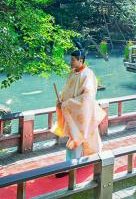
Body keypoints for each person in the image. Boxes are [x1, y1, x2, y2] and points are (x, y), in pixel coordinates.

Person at [52, 46, 106, 176]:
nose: (70, 62)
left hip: (83, 111)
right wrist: (61, 101)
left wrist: (67, 103)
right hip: (74, 111)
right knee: (80, 136)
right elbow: (68, 90)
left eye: (73, 60)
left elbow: (87, 96)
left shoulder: (88, 74)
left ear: (80, 60)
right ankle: (81, 161)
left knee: (78, 136)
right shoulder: (73, 72)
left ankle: (71, 165)